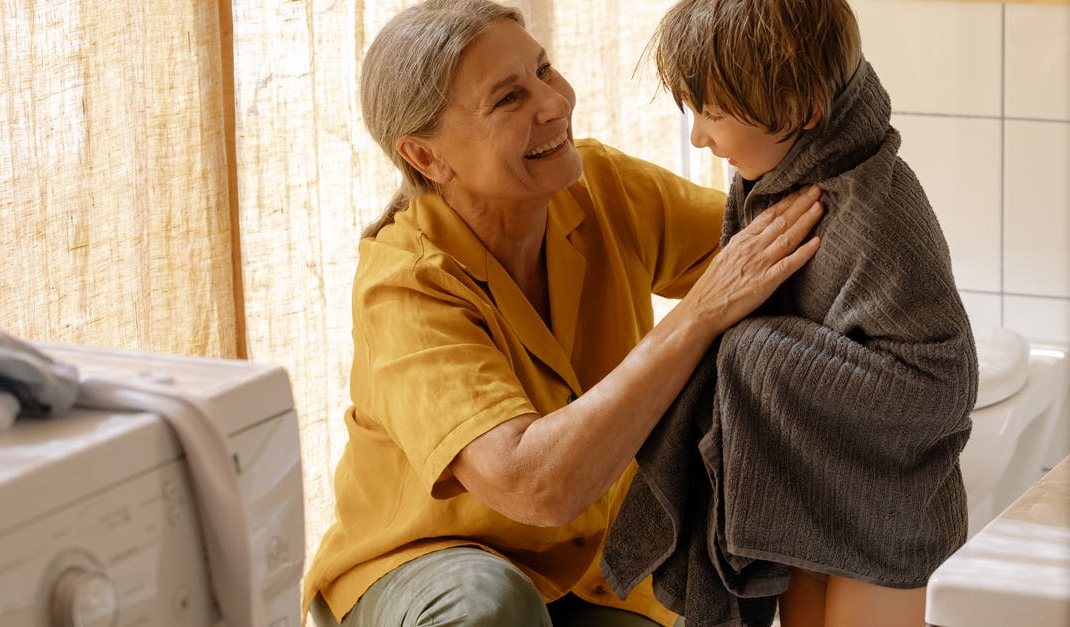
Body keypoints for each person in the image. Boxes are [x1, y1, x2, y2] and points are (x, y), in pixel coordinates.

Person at [302, 1, 825, 625]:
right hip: (424, 567)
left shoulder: (602, 187)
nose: (554, 103)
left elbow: (777, 245)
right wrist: (699, 316)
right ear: (426, 158)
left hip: (589, 571)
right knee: (488, 607)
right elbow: (529, 483)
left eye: (544, 70)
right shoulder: (406, 286)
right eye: (508, 99)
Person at [599, 1, 978, 626]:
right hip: (810, 490)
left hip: (891, 519)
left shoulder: (876, 211)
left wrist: (757, 352)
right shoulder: (772, 180)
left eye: (711, 113)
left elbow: (945, 385)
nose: (698, 135)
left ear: (802, 112)